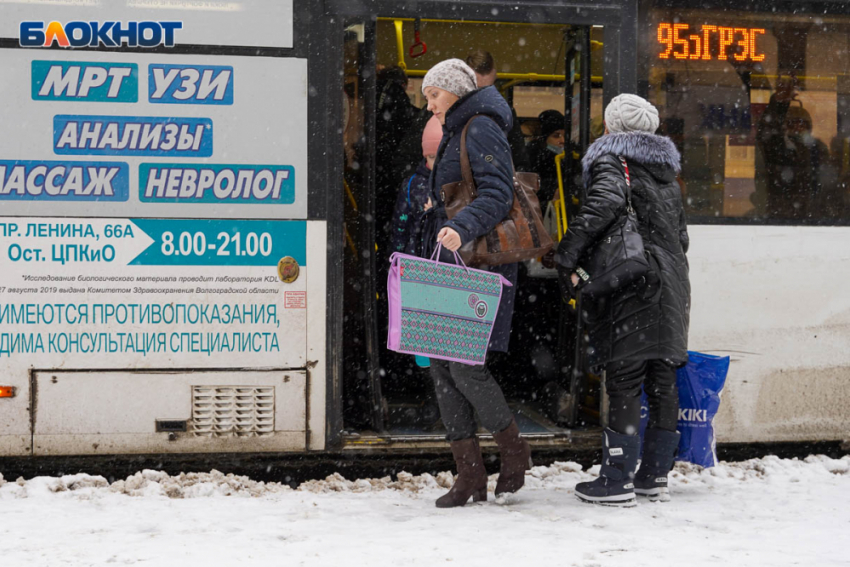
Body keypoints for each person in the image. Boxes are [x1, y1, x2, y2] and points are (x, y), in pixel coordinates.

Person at [555, 93, 690, 506]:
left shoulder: (613, 160)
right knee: (663, 381)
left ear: (612, 127)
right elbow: (682, 238)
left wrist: (567, 252)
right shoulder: (667, 174)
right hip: (673, 285)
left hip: (635, 286)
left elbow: (602, 206)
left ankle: (616, 480)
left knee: (625, 379)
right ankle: (654, 476)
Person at [419, 58, 531, 508]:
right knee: (444, 364)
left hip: (476, 262)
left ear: (457, 91)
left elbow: (497, 194)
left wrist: (462, 225)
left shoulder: (480, 125)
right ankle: (469, 476)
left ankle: (514, 452)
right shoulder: (458, 126)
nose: (429, 104)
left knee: (463, 364)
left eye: (434, 95)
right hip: (453, 258)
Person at [755, 77, 830, 220]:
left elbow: (827, 180)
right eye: (792, 124)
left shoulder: (818, 149)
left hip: (813, 213)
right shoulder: (778, 147)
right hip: (782, 212)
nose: (797, 128)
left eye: (801, 124)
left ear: (809, 128)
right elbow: (767, 134)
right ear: (784, 127)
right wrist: (778, 105)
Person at [465, 49, 531, 171]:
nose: (483, 98)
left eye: (487, 90)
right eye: (477, 90)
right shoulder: (504, 111)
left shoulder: (504, 112)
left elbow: (518, 158)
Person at [390, 116, 442, 256]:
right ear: (425, 156)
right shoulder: (411, 185)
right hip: (416, 259)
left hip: (450, 261)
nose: (437, 163)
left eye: (442, 156)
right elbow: (400, 228)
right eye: (431, 157)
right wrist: (396, 260)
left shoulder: (460, 184)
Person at [527, 109, 566, 203]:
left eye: (565, 136)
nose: (562, 140)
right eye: (556, 136)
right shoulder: (536, 159)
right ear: (544, 139)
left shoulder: (569, 156)